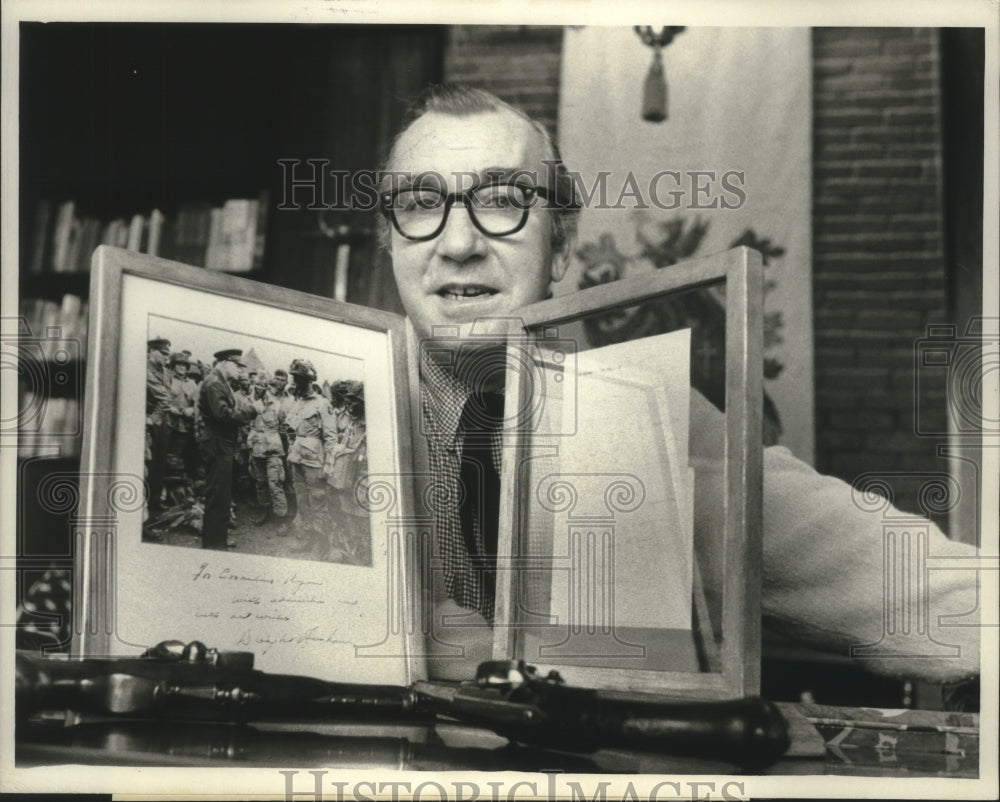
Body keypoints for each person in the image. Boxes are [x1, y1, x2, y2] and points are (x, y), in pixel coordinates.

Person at [379, 85, 981, 684]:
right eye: (420, 203)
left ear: (560, 245)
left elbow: (912, 583)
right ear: (389, 239)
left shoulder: (656, 419)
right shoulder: (324, 403)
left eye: (505, 198)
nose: (458, 245)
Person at [197, 348, 258, 550]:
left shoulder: (219, 381)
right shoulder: (214, 382)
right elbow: (223, 414)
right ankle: (214, 545)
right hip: (217, 444)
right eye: (237, 365)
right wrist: (252, 410)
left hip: (220, 443)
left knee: (221, 495)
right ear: (224, 363)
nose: (240, 369)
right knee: (217, 495)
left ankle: (217, 540)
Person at [285, 358, 339, 557]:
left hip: (315, 460)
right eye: (294, 378)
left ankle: (321, 542)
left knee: (318, 500)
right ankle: (306, 537)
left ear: (308, 381)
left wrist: (329, 464)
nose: (295, 382)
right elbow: (292, 429)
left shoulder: (323, 404)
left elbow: (331, 437)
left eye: (299, 379)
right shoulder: (298, 403)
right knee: (302, 501)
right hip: (297, 457)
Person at [144, 337, 173, 516]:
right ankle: (145, 505)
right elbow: (164, 398)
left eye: (167, 354)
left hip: (164, 423)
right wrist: (153, 418)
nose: (166, 357)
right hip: (150, 422)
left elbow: (167, 396)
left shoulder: (165, 371)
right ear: (152, 351)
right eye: (163, 353)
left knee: (160, 464)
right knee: (147, 464)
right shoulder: (145, 370)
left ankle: (155, 502)